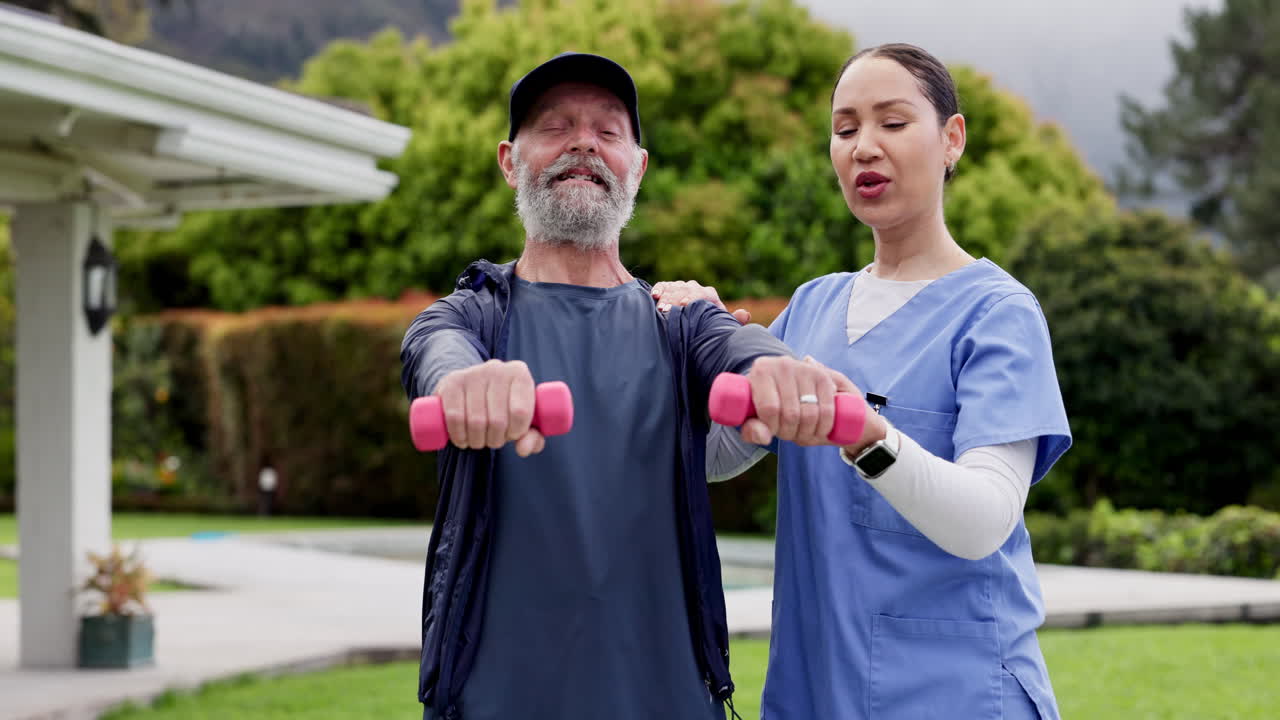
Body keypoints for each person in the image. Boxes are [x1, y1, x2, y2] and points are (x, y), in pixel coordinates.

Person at [399, 52, 848, 720]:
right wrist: (465, 385)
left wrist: (771, 368)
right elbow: (434, 353)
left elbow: (737, 344)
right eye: (556, 126)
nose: (583, 142)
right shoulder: (472, 317)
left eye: (609, 131)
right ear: (507, 160)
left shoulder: (681, 322)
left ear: (637, 167)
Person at [653, 43, 1072, 720]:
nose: (864, 148)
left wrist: (869, 435)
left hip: (954, 696)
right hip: (813, 693)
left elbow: (984, 521)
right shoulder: (812, 307)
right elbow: (713, 456)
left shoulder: (997, 314)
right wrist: (681, 350)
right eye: (845, 130)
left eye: (893, 123)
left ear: (952, 139)